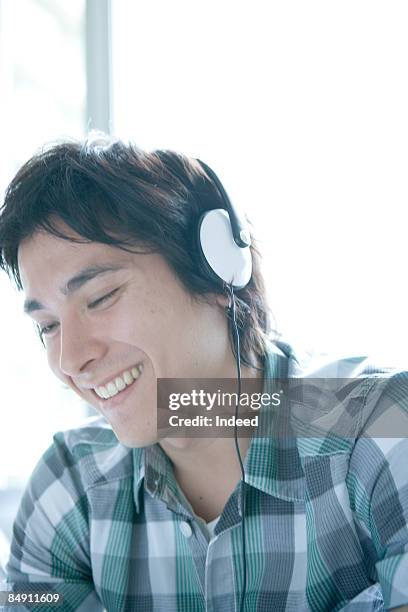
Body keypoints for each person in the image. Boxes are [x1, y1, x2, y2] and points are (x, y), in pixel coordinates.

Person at [0, 135, 407, 612]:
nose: (71, 360)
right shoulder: (67, 487)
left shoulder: (381, 427)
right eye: (47, 326)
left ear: (217, 273)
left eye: (101, 297)